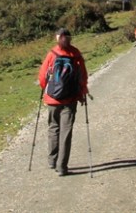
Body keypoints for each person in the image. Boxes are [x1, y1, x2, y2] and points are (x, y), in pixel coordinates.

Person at [38, 28, 88, 176]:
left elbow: (42, 76)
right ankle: (62, 167)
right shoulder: (75, 53)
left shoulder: (52, 53)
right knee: (66, 132)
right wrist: (82, 93)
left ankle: (52, 161)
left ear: (57, 37)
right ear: (70, 38)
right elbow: (83, 76)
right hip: (70, 99)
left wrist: (45, 92)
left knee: (53, 128)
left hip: (53, 99)